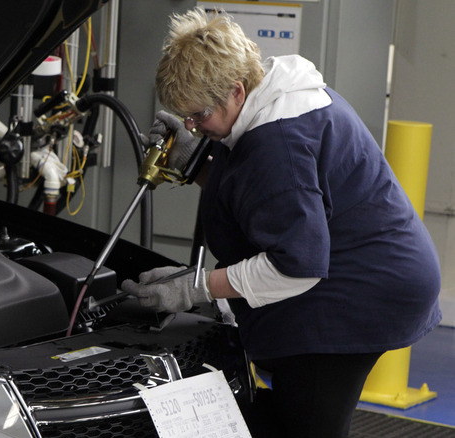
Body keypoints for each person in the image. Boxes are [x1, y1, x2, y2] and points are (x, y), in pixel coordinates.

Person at [121, 7, 442, 438]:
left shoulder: (278, 140)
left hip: (361, 292)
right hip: (359, 271)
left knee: (306, 425)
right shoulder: (272, 95)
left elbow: (297, 265)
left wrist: (197, 287)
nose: (192, 126)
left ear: (236, 89)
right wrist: (198, 162)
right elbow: (259, 194)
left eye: (198, 116)